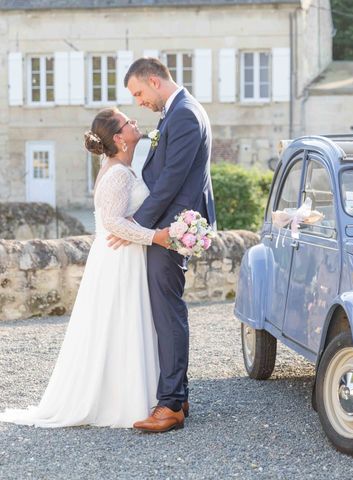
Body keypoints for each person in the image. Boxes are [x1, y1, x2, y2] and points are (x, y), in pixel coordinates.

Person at [0, 108, 171, 428]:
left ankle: (135, 393)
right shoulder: (118, 172)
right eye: (128, 122)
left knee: (123, 325)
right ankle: (118, 402)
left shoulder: (121, 165)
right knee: (118, 325)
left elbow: (123, 218)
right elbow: (112, 222)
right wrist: (155, 237)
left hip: (123, 257)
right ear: (119, 138)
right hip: (118, 261)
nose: (135, 122)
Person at [108, 58, 215, 433]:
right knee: (164, 310)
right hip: (169, 225)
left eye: (139, 92)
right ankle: (178, 394)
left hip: (170, 230)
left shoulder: (184, 114)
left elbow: (171, 181)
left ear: (154, 81)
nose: (138, 101)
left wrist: (134, 225)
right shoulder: (179, 112)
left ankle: (170, 405)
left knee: (167, 313)